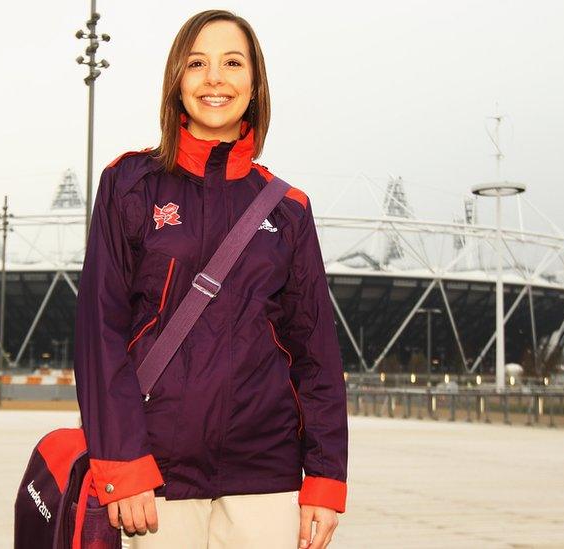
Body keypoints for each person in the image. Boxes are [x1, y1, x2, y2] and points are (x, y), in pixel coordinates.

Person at [74, 9, 347, 549]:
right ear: (177, 78)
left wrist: (326, 476)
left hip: (267, 479)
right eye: (197, 63)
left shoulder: (289, 209)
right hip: (154, 477)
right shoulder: (129, 185)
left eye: (232, 63)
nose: (215, 78)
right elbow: (99, 331)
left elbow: (315, 351)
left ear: (254, 82)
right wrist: (122, 461)